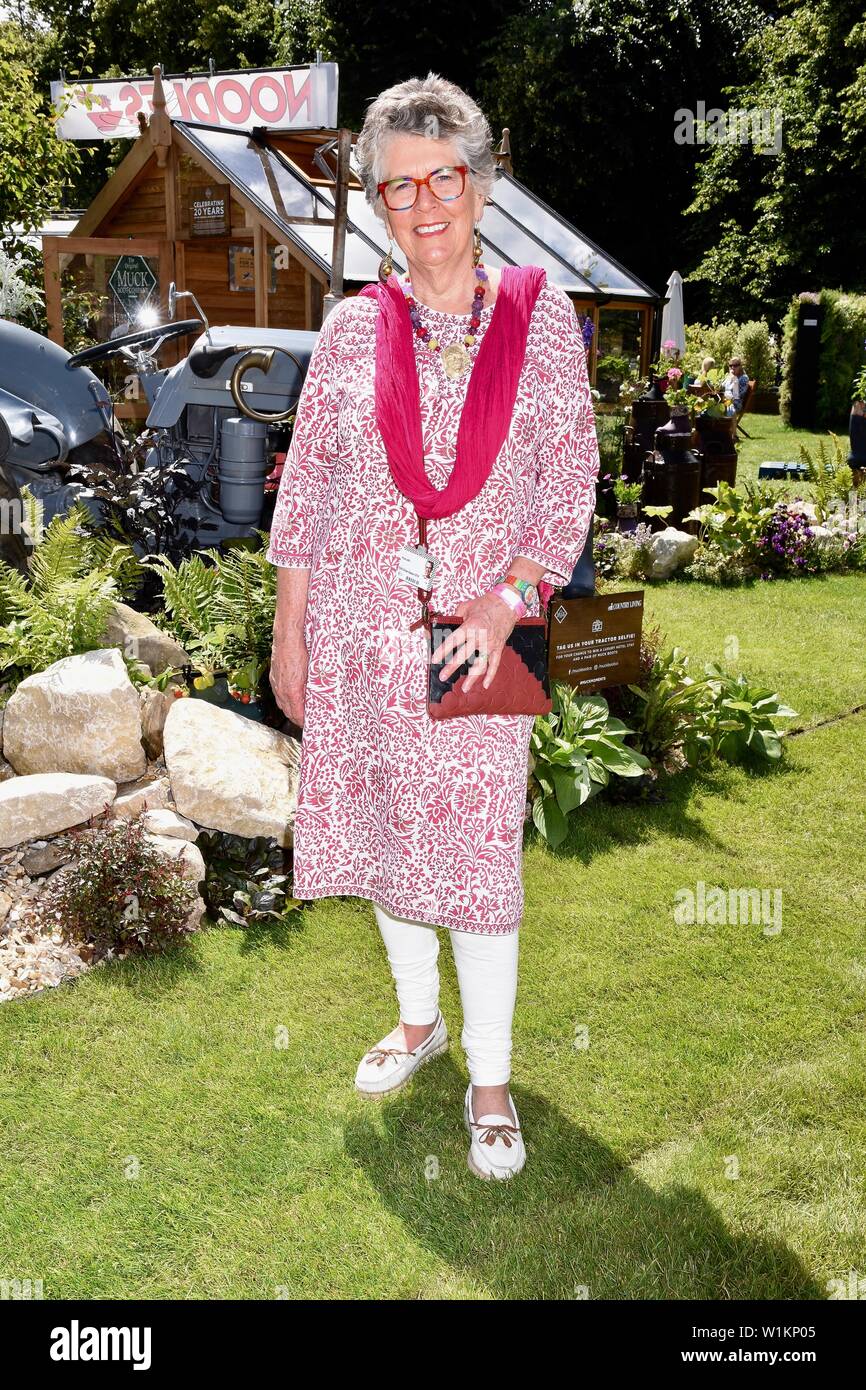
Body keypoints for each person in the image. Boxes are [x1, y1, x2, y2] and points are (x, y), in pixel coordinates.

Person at [266, 73, 600, 1181]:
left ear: (480, 183)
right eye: (397, 185)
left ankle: (490, 1074)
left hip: (470, 638)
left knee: (474, 859)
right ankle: (419, 1021)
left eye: (441, 177)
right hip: (361, 632)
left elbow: (567, 479)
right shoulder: (351, 330)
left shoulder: (536, 316)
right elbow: (307, 485)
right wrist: (289, 631)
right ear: (378, 202)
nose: (421, 203)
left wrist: (511, 598)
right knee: (383, 836)